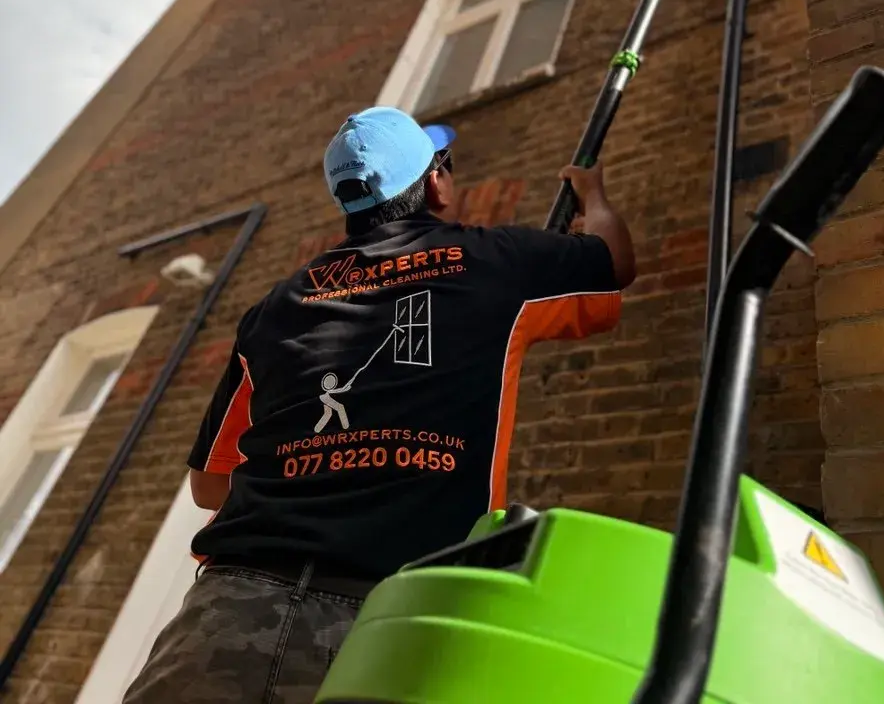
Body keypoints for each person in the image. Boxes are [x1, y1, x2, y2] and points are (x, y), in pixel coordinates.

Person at [124, 106, 635, 703]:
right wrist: (592, 195)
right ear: (436, 184)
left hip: (225, 613)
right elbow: (613, 261)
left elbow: (209, 485)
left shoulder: (276, 306)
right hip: (388, 626)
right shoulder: (496, 260)